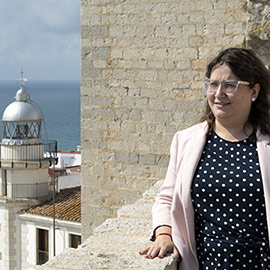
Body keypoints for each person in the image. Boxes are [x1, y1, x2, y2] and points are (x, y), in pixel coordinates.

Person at [139, 47, 270, 269]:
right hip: (204, 264)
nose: (218, 94)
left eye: (230, 85)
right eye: (213, 84)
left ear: (254, 92)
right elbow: (166, 198)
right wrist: (163, 234)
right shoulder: (185, 140)